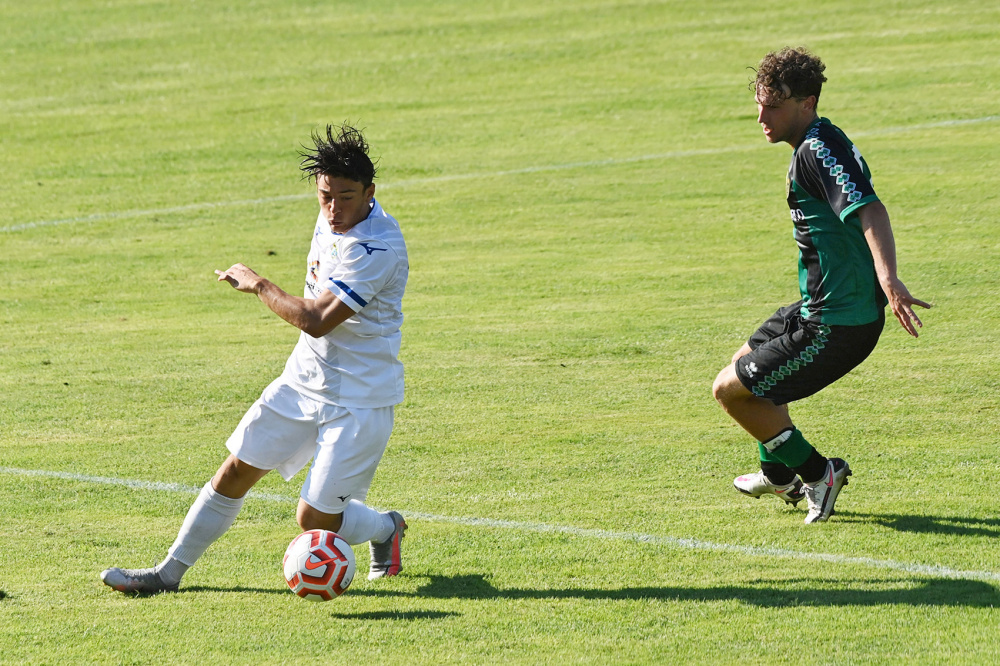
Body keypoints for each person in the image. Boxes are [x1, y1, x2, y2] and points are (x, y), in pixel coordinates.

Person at [101, 124, 410, 593]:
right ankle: (167, 574)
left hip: (360, 398)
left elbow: (318, 319)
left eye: (346, 197)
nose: (333, 209)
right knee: (235, 470)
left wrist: (259, 284)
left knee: (314, 519)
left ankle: (386, 528)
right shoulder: (332, 217)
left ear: (370, 192)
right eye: (325, 195)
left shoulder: (377, 248)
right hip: (304, 378)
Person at [712, 48, 930, 524]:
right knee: (743, 366)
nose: (761, 117)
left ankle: (818, 473)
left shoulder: (818, 149)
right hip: (817, 305)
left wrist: (889, 280)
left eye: (774, 106)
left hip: (839, 321)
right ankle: (779, 474)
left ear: (806, 103)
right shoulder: (817, 141)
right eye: (759, 104)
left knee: (731, 391)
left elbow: (870, 208)